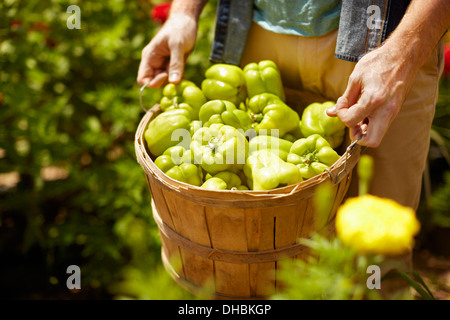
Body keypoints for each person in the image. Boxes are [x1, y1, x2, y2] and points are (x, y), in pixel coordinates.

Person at [137, 0, 449, 297]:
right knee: (248, 269)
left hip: (384, 39)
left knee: (376, 262)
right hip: (256, 28)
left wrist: (404, 50)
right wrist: (184, 13)